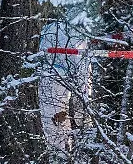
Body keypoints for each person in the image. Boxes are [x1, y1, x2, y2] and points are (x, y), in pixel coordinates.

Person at [39, 20, 93, 153]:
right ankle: (62, 157)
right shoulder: (78, 33)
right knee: (58, 123)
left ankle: (55, 156)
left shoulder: (49, 28)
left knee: (51, 122)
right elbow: (84, 78)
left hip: (44, 76)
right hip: (59, 79)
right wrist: (85, 120)